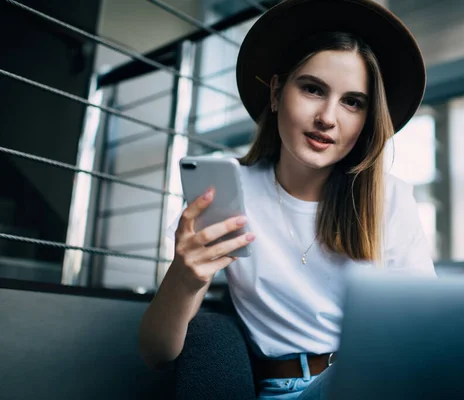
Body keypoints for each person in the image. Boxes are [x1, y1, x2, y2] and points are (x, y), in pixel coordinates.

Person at [139, 0, 436, 398]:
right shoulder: (230, 196)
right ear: (277, 93)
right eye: (313, 89)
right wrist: (184, 276)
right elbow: (157, 353)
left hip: (365, 381)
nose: (328, 117)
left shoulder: (390, 198)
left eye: (352, 102)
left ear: (366, 119)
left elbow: (424, 331)